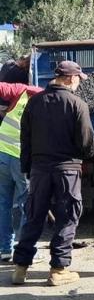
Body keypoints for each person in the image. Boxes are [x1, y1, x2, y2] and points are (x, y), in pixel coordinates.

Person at [12, 61, 94, 286]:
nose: (78, 83)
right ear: (69, 79)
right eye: (78, 78)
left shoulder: (34, 102)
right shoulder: (77, 104)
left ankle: (20, 268)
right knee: (67, 216)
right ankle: (58, 269)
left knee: (33, 216)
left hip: (39, 170)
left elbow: (25, 140)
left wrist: (27, 168)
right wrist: (83, 156)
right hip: (66, 170)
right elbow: (86, 142)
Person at [0, 82, 43, 262]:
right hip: (21, 160)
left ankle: (4, 249)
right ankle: (25, 250)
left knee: (3, 204)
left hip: (2, 154)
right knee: (27, 205)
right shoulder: (44, 103)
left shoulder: (21, 91)